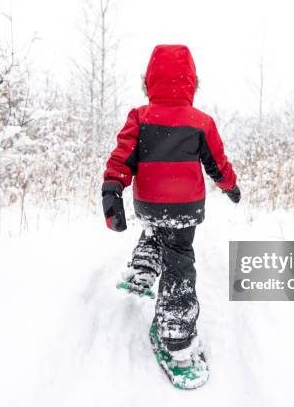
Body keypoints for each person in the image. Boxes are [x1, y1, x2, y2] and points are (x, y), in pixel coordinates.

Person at [101, 44, 240, 361]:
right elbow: (217, 163)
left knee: (153, 227)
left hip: (149, 202)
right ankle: (175, 333)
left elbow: (122, 158)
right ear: (192, 83)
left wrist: (112, 189)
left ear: (148, 82)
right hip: (185, 207)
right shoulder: (201, 122)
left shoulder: (140, 117)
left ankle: (144, 264)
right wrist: (229, 187)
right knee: (178, 257)